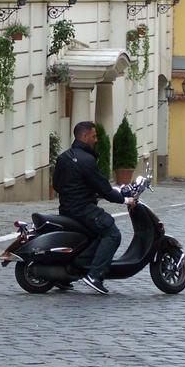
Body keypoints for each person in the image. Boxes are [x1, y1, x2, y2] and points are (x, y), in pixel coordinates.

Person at [52, 120, 136, 295]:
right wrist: (125, 200)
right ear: (84, 136)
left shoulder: (64, 157)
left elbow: (57, 185)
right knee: (112, 233)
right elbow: (104, 188)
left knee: (92, 236)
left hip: (66, 208)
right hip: (83, 210)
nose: (96, 139)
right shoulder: (87, 160)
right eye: (94, 136)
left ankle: (67, 274)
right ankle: (95, 275)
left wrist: (81, 192)